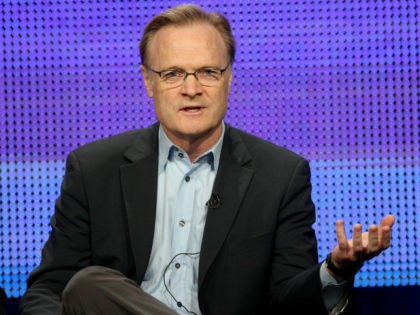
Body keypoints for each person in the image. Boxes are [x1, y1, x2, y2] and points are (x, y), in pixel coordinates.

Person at [19, 4, 395, 315]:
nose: (191, 89)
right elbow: (49, 290)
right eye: (172, 73)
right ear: (148, 82)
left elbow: (288, 304)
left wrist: (334, 270)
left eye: (208, 72)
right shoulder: (93, 169)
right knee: (88, 286)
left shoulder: (279, 175)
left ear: (229, 78)